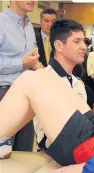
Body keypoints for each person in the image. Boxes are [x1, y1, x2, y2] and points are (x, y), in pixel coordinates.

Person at [33, 19, 94, 151]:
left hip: (79, 147)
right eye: (77, 41)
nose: (84, 47)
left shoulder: (78, 83)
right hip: (54, 153)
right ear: (59, 46)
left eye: (84, 41)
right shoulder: (43, 79)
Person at [0, 0, 42, 157]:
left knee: (23, 154)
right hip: (4, 93)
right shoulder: (1, 22)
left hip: (26, 95)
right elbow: (22, 61)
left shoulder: (29, 25)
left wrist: (36, 65)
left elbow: (30, 58)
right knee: (3, 156)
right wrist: (21, 63)